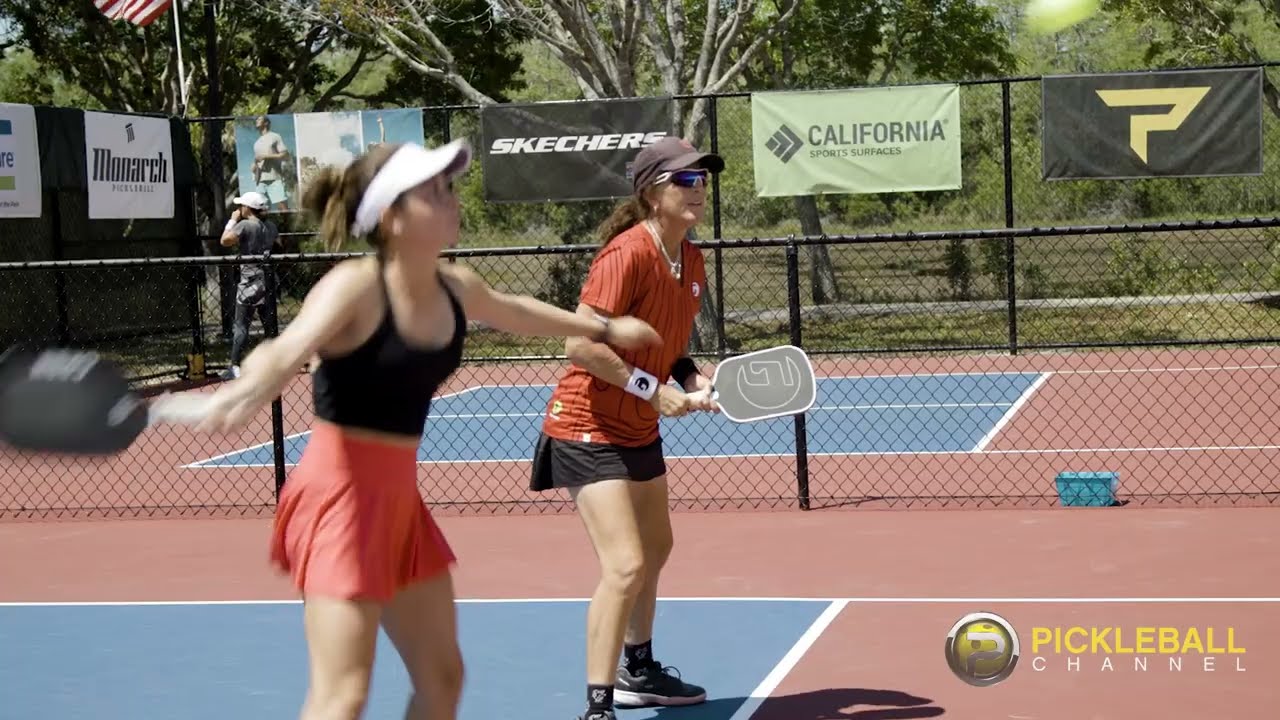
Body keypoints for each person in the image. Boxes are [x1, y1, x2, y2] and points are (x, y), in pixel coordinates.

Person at [195, 138, 662, 720]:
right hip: (337, 504)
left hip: (399, 505)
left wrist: (608, 329)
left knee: (442, 680)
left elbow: (514, 310)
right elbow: (287, 348)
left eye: (448, 187)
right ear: (392, 217)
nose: (451, 199)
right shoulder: (357, 287)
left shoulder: (454, 285)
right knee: (343, 695)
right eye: (433, 191)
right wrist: (248, 385)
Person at [528, 136, 725, 720]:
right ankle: (598, 706)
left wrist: (687, 378)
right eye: (686, 181)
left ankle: (638, 669)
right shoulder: (626, 254)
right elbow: (579, 344)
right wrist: (651, 390)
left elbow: (670, 348)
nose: (699, 190)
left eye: (704, 180)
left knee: (658, 547)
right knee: (627, 564)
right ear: (652, 192)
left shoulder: (690, 258)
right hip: (587, 424)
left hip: (638, 425)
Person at [219, 190, 281, 380]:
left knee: (241, 326)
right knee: (269, 325)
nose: (239, 208)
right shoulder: (270, 226)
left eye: (242, 205)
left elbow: (225, 240)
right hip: (269, 280)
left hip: (249, 282)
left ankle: (235, 366)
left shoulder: (245, 225)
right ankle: (276, 364)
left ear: (248, 208)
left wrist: (232, 220)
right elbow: (279, 244)